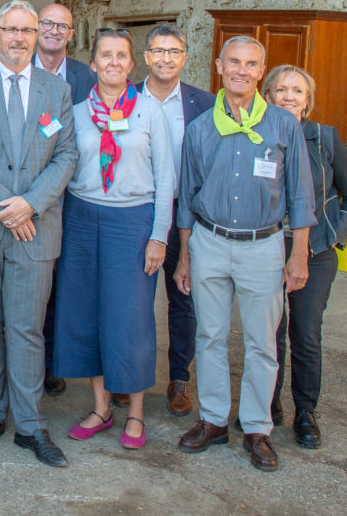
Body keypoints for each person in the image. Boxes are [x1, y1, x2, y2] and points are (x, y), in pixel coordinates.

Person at [174, 36, 316, 473]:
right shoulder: (199, 128)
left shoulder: (283, 125)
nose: (241, 69)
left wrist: (300, 256)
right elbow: (186, 198)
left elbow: (301, 195)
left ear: (261, 71)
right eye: (233, 61)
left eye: (250, 64)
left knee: (262, 343)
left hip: (264, 246)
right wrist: (185, 256)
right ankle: (214, 419)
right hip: (210, 243)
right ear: (219, 65)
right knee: (210, 337)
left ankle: (257, 427)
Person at [0, 0, 77, 468]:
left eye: (29, 29)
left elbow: (66, 155)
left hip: (36, 228)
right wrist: (8, 206)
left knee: (26, 330)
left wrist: (31, 204)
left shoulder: (56, 90)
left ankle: (29, 425)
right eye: (12, 29)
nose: (21, 38)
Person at [53, 28, 174, 450]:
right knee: (87, 315)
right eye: (106, 56)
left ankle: (135, 413)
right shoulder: (75, 111)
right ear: (93, 64)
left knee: (130, 318)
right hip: (82, 219)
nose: (114, 63)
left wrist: (159, 237)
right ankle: (101, 408)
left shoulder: (149, 111)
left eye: (121, 56)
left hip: (132, 222)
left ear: (131, 64)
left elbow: (166, 178)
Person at [262, 64, 347, 449]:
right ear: (268, 96)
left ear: (308, 100)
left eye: (297, 91)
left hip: (316, 251)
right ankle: (267, 407)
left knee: (304, 333)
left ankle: (306, 411)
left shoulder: (324, 138)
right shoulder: (258, 135)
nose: (289, 96)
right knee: (268, 334)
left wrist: (335, 236)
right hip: (269, 247)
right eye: (281, 89)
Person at [126, 23, 214, 416]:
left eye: (173, 51)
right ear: (145, 58)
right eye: (158, 51)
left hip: (185, 214)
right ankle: (125, 376)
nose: (165, 58)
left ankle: (179, 379)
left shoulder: (204, 104)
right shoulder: (124, 100)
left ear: (185, 57)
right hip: (138, 211)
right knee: (131, 299)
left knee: (183, 297)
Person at [32, 3, 99, 397]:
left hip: (72, 195)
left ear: (72, 34)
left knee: (59, 284)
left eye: (63, 26)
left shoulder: (86, 78)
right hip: (30, 195)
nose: (54, 31)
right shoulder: (22, 70)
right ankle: (30, 362)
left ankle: (53, 363)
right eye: (48, 24)